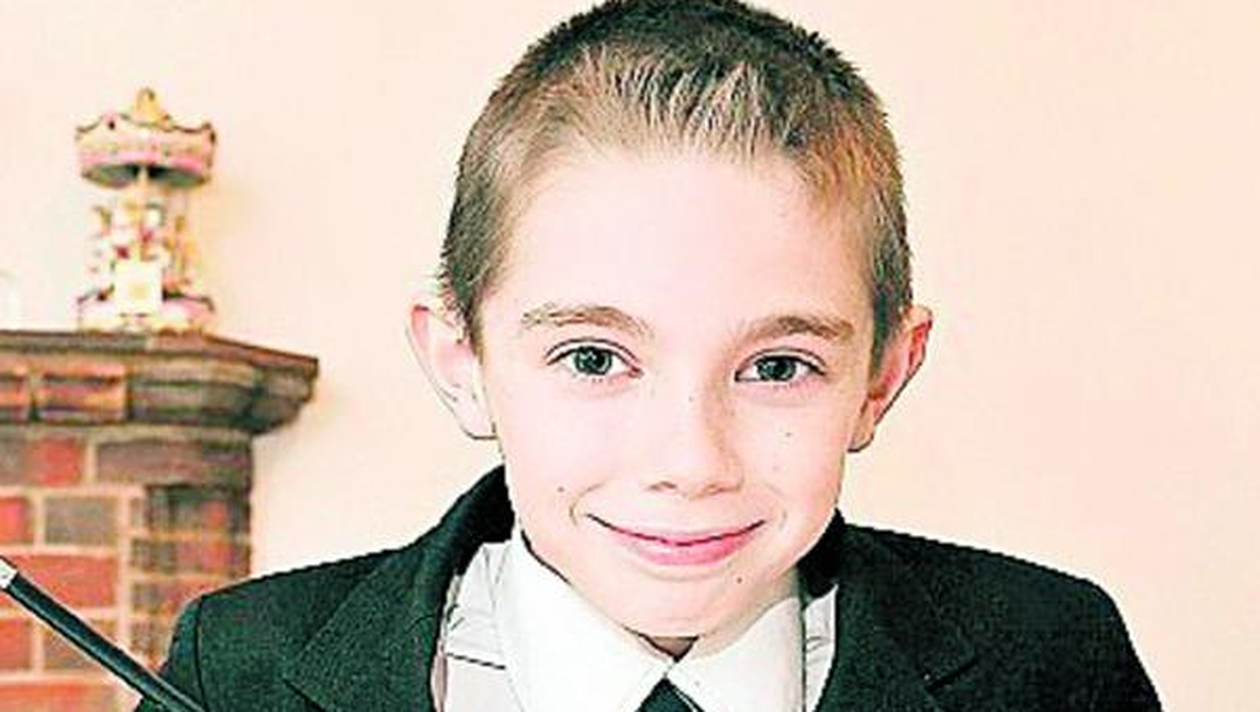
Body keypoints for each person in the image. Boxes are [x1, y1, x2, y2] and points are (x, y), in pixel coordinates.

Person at [139, 1, 1161, 709]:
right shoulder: (239, 673)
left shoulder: (1051, 663)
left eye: (777, 367)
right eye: (593, 359)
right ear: (460, 359)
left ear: (883, 376)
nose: (690, 463)